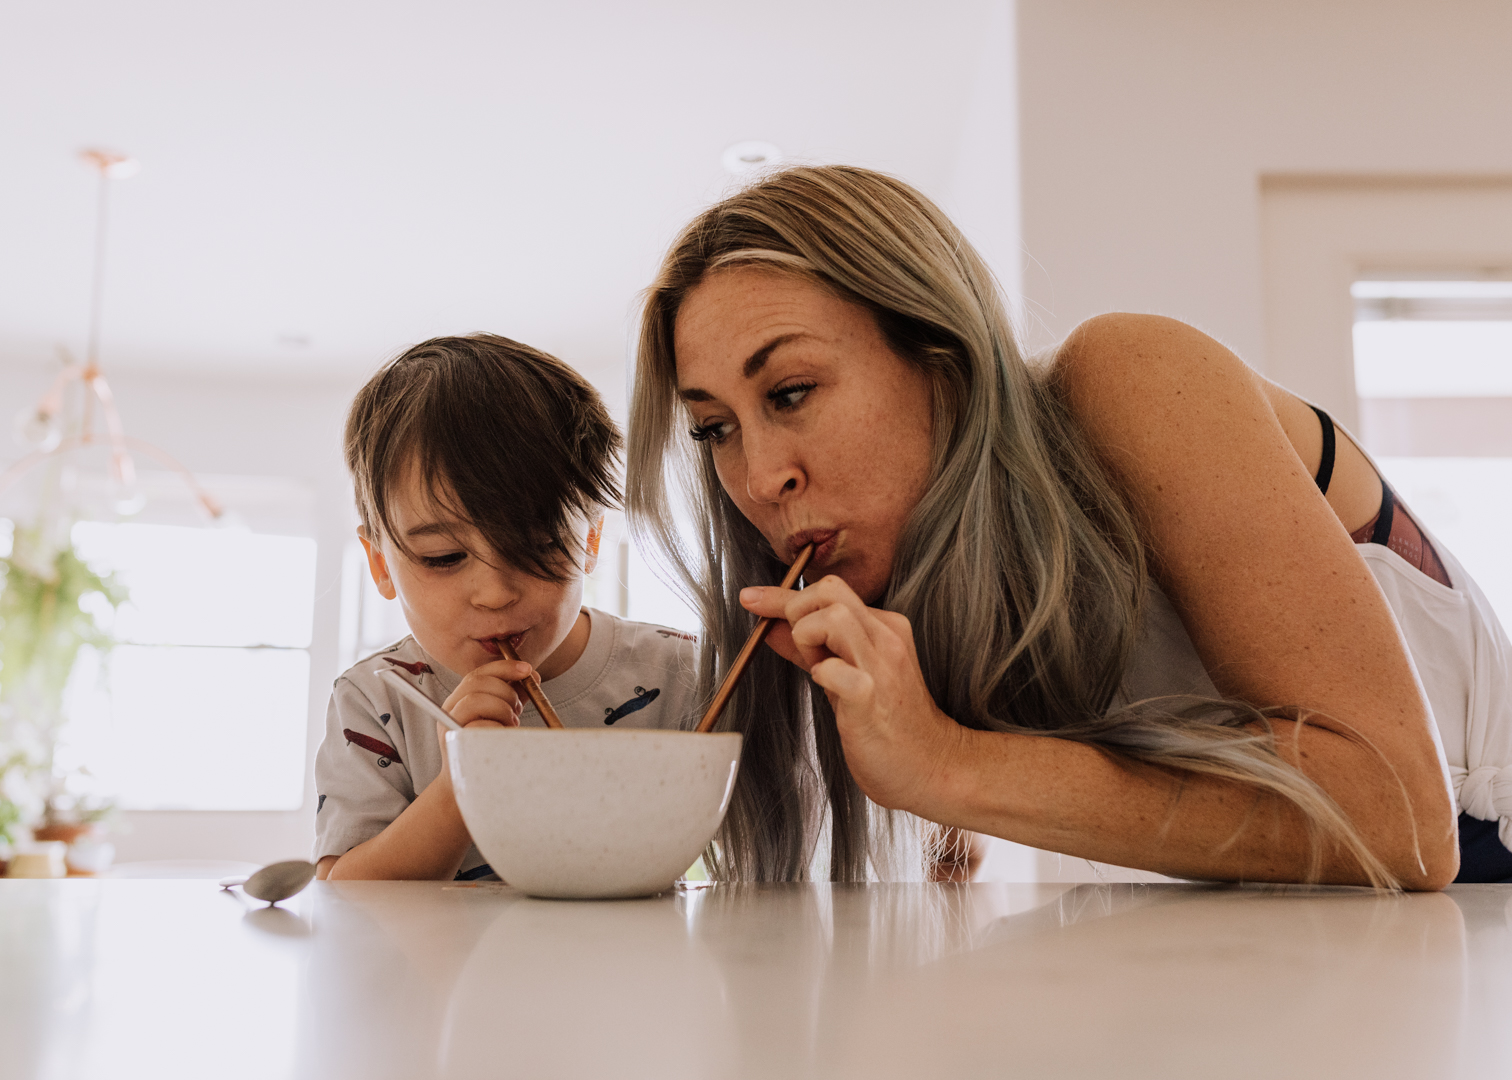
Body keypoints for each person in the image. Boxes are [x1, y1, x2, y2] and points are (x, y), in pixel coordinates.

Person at [627, 165, 1512, 888]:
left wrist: (950, 765)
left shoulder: (1128, 378)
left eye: (790, 393)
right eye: (714, 430)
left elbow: (1398, 819)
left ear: (941, 359)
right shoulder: (914, 573)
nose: (758, 477)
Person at [315, 334, 698, 881]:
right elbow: (346, 896)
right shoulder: (377, 699)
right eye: (443, 557)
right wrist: (460, 788)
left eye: (538, 545)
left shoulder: (680, 674)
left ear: (590, 539)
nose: (495, 593)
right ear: (380, 564)